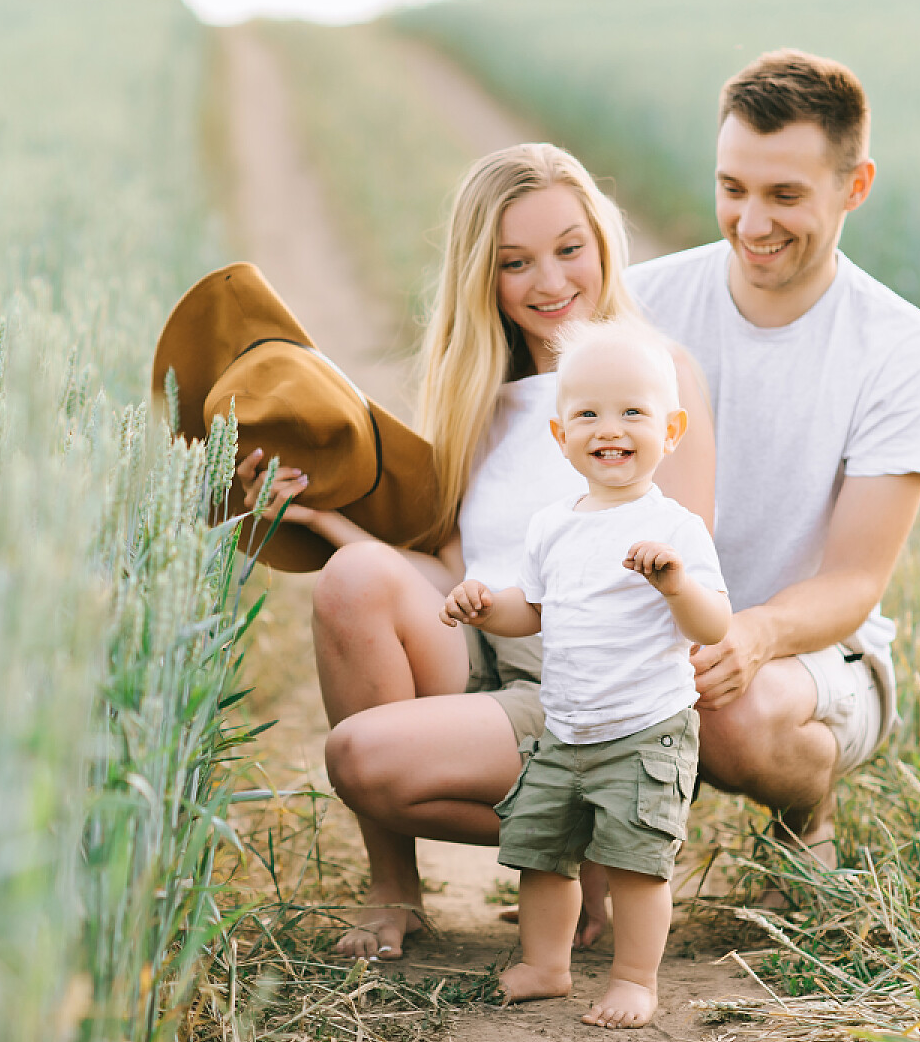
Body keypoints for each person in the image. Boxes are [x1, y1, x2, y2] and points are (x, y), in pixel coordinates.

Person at [236, 143, 717, 960]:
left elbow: (681, 553)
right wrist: (323, 520)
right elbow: (455, 572)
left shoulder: (655, 376)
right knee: (354, 578)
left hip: (585, 690)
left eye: (570, 249)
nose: (551, 281)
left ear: (602, 245)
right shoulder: (476, 393)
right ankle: (396, 894)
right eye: (515, 262)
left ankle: (602, 829)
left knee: (358, 756)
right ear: (482, 277)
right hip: (487, 653)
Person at [627, 49, 920, 876]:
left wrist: (752, 634)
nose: (751, 221)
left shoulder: (903, 348)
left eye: (784, 195)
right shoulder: (641, 301)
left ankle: (806, 813)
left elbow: (853, 582)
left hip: (816, 653)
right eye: (732, 188)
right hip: (648, 628)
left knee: (734, 717)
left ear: (856, 186)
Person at [441, 318, 730, 1028]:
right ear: (559, 433)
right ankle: (547, 963)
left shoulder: (676, 529)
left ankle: (635, 977)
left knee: (636, 864)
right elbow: (531, 610)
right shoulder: (552, 525)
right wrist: (485, 606)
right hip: (564, 725)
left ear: (671, 429)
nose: (611, 427)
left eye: (633, 411)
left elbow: (713, 625)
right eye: (589, 413)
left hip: (643, 730)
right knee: (543, 853)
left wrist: (674, 584)